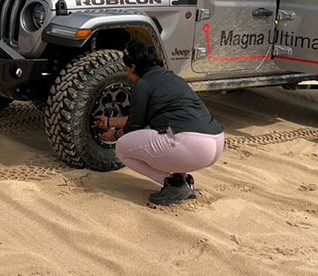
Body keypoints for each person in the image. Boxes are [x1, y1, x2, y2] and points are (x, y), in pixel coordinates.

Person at [96, 40, 225, 205]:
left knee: (123, 147)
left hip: (191, 145)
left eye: (127, 69)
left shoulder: (143, 85)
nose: (128, 74)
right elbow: (140, 118)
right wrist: (109, 121)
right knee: (171, 132)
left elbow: (133, 127)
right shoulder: (173, 78)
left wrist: (114, 134)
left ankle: (175, 184)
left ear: (134, 67)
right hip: (215, 141)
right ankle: (183, 180)